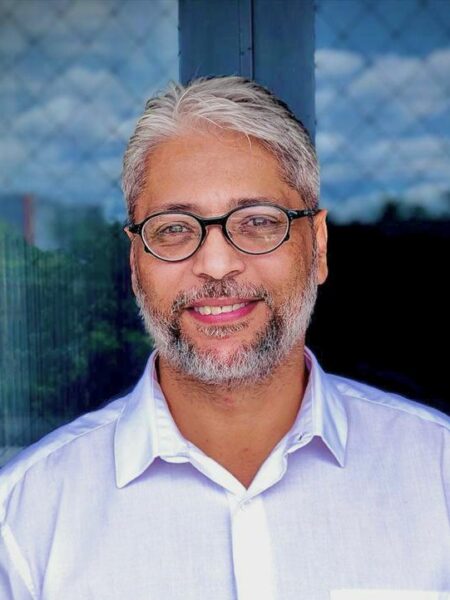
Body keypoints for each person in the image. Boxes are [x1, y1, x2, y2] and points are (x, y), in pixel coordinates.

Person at [0, 76, 449, 600]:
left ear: (319, 246)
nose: (216, 265)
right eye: (174, 228)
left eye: (258, 222)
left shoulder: (439, 477)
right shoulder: (24, 520)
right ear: (135, 263)